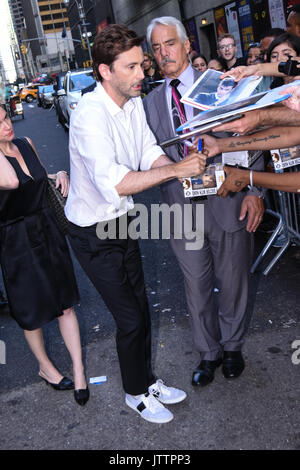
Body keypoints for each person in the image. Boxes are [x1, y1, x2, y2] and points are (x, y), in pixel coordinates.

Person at [65, 24, 205, 424]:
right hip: (92, 231)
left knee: (142, 306)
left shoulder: (133, 103)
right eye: (131, 67)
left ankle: (146, 378)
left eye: (141, 64)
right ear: (105, 71)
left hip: (123, 219)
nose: (143, 72)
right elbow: (118, 181)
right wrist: (176, 169)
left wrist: (180, 172)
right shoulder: (89, 116)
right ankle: (135, 393)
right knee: (129, 317)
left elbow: (147, 153)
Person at [144, 16, 265, 388]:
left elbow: (250, 133)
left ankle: (233, 347)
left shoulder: (219, 85)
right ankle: (208, 352)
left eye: (170, 44)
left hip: (228, 197)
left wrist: (256, 192)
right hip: (180, 207)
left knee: (233, 280)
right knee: (195, 284)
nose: (164, 52)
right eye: (157, 47)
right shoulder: (148, 103)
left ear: (187, 45)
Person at [0, 104, 88, 406]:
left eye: (6, 117)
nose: (7, 125)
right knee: (32, 312)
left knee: (65, 304)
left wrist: (59, 173)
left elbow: (36, 178)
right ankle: (45, 368)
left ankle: (79, 372)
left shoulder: (27, 144)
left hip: (47, 230)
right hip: (15, 241)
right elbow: (11, 182)